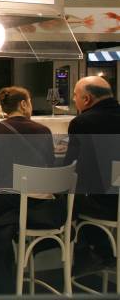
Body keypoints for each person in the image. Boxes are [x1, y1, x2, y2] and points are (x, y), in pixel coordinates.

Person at [0, 86, 65, 295]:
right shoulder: (43, 131)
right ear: (24, 104)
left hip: (10, 206)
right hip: (42, 209)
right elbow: (50, 164)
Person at [65, 76, 120, 273]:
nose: (74, 100)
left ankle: (86, 255)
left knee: (68, 199)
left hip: (106, 206)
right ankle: (100, 253)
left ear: (86, 99)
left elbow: (70, 166)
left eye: (75, 96)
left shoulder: (82, 122)